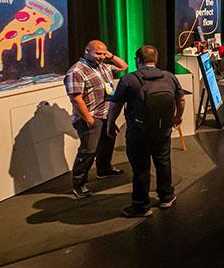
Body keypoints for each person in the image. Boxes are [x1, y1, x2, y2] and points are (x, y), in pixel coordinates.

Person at [106, 45, 185, 218]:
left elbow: (115, 106)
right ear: (155, 59)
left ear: (138, 60)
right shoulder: (169, 77)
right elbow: (181, 100)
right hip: (163, 130)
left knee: (141, 168)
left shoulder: (128, 79)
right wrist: (177, 118)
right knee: (163, 162)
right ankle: (166, 196)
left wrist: (110, 124)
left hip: (138, 132)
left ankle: (141, 206)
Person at [63, 40, 128, 198]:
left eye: (103, 54)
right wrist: (89, 119)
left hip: (106, 114)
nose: (101, 57)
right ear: (87, 51)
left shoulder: (103, 66)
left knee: (108, 142)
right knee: (88, 151)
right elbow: (76, 99)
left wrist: (109, 55)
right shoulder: (76, 71)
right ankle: (79, 184)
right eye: (98, 53)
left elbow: (123, 66)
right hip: (91, 116)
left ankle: (104, 169)